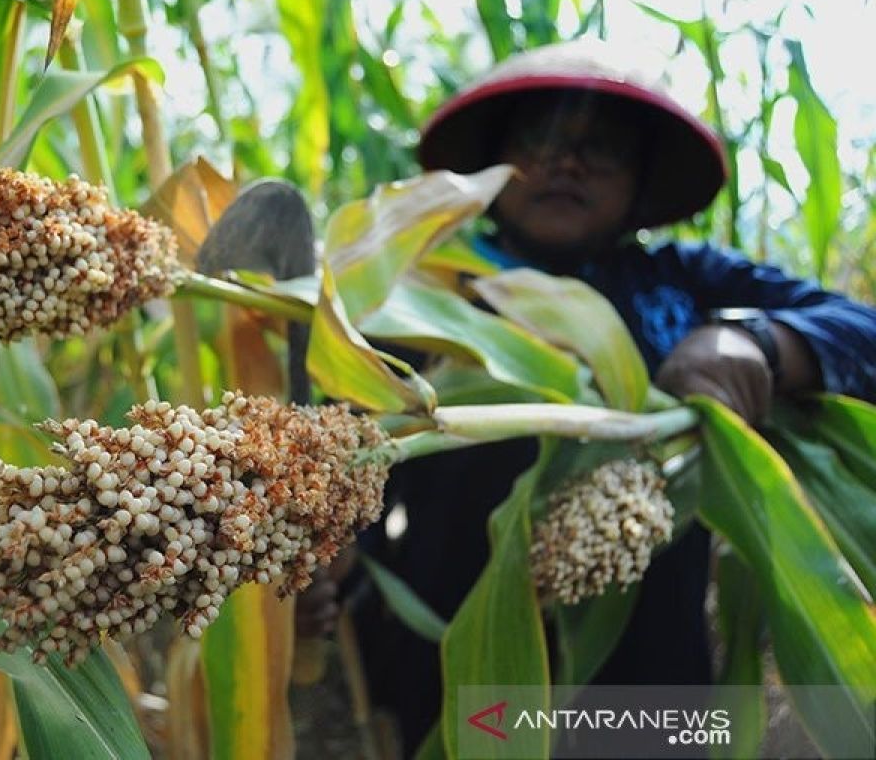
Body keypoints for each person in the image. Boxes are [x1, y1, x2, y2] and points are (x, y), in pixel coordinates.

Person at [293, 40, 876, 755]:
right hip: (459, 656)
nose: (567, 162)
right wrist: (332, 572)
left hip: (650, 678)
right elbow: (354, 461)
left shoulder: (684, 283)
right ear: (494, 164)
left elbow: (862, 330)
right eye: (539, 140)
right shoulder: (418, 290)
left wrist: (761, 343)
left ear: (642, 178)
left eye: (603, 148)